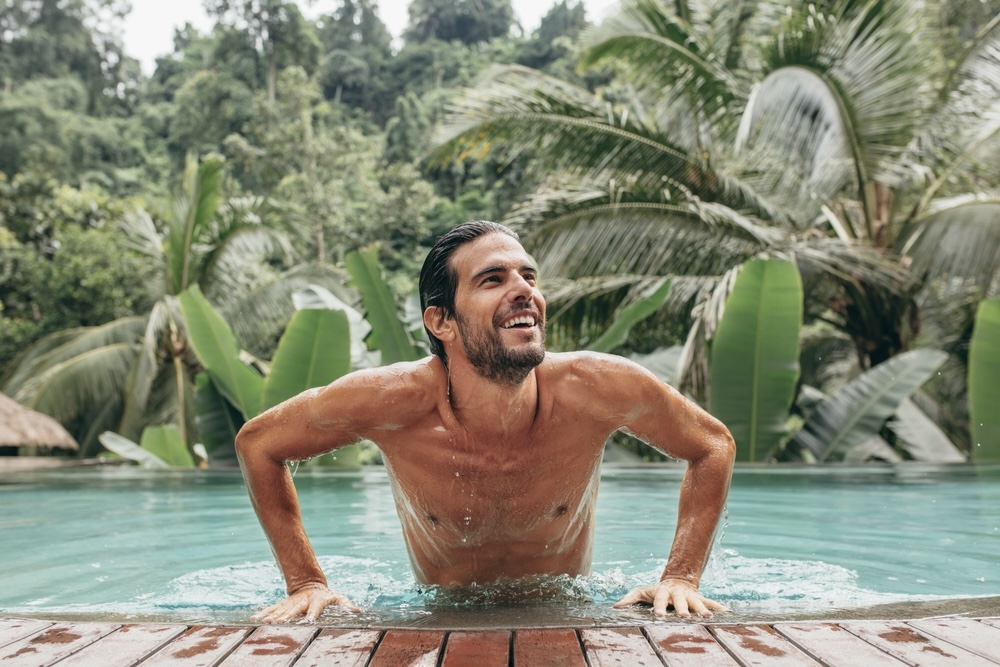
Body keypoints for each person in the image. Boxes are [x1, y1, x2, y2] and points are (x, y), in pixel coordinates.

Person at [235, 220, 736, 623]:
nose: (524, 291)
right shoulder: (389, 403)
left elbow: (711, 444)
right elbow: (259, 443)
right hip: (437, 622)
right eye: (493, 280)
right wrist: (306, 583)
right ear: (441, 322)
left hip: (567, 615)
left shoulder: (597, 388)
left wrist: (681, 577)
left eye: (528, 277)